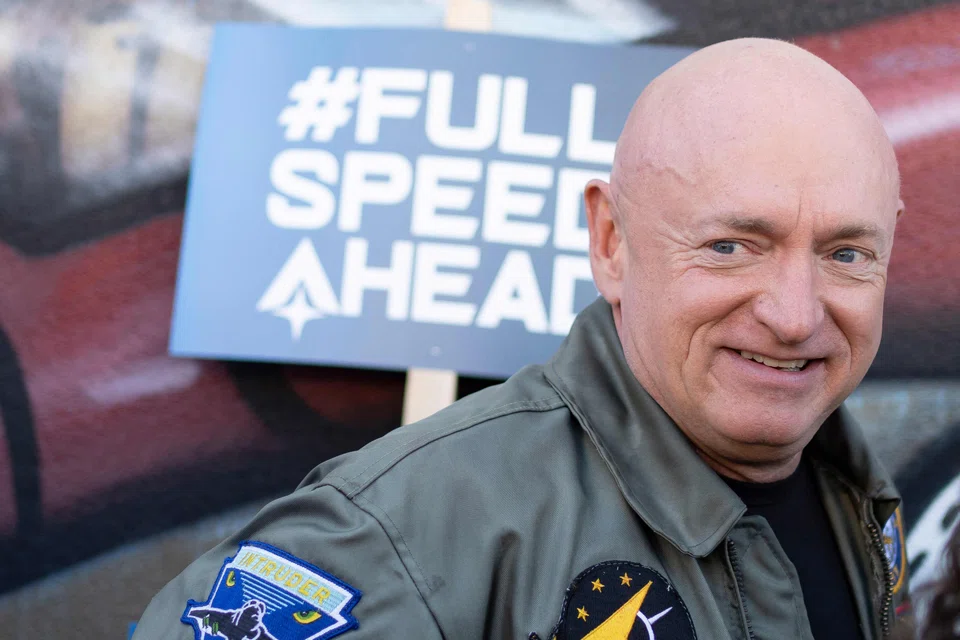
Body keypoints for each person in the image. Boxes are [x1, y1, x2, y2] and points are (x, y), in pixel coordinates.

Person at [133, 37, 911, 640]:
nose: (794, 315)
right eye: (731, 246)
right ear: (611, 242)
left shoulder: (853, 492)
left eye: (846, 254)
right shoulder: (408, 533)